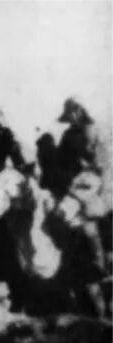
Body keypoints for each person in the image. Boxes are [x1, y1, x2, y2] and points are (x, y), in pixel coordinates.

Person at [54, 96, 111, 310]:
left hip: (100, 189)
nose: (72, 118)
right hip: (77, 190)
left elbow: (105, 165)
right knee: (75, 233)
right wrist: (70, 185)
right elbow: (60, 164)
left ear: (80, 111)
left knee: (101, 230)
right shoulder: (68, 136)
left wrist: (99, 189)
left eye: (74, 113)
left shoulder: (98, 131)